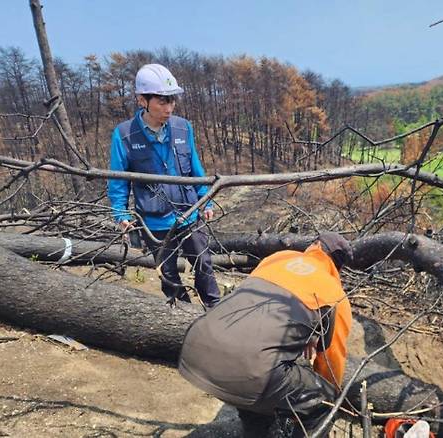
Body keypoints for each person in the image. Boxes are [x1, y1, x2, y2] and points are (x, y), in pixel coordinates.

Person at [178, 232, 354, 437]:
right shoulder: (334, 293)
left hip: (195, 350)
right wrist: (318, 397)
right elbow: (331, 364)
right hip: (252, 371)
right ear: (338, 267)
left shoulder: (277, 258)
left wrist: (307, 332)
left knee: (258, 372)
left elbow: (262, 314)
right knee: (326, 400)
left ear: (314, 246)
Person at [107, 63, 220, 308]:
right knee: (168, 273)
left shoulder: (183, 127)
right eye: (162, 101)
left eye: (172, 101)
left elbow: (195, 168)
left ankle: (215, 310)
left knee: (204, 264)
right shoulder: (125, 135)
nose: (169, 108)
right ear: (142, 100)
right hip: (154, 220)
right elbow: (118, 179)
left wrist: (206, 199)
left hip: (189, 212)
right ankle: (184, 314)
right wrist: (121, 213)